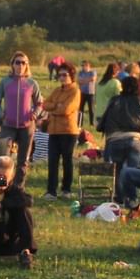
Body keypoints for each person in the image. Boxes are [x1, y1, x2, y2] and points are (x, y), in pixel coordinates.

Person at [0, 53, 42, 187]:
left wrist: (35, 115)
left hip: (27, 126)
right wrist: (1, 114)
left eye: (23, 63)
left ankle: (18, 187)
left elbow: (40, 103)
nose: (20, 65)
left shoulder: (32, 83)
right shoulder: (5, 82)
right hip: (8, 125)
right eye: (17, 62)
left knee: (23, 160)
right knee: (3, 157)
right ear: (12, 64)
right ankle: (1, 185)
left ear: (27, 65)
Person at [41, 65, 83, 201]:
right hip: (53, 130)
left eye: (65, 75)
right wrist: (56, 106)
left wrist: (54, 108)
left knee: (67, 160)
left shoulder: (75, 91)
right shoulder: (57, 90)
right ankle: (51, 191)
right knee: (52, 161)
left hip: (68, 131)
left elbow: (67, 109)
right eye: (59, 75)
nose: (62, 77)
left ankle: (66, 189)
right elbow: (45, 104)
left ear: (71, 75)